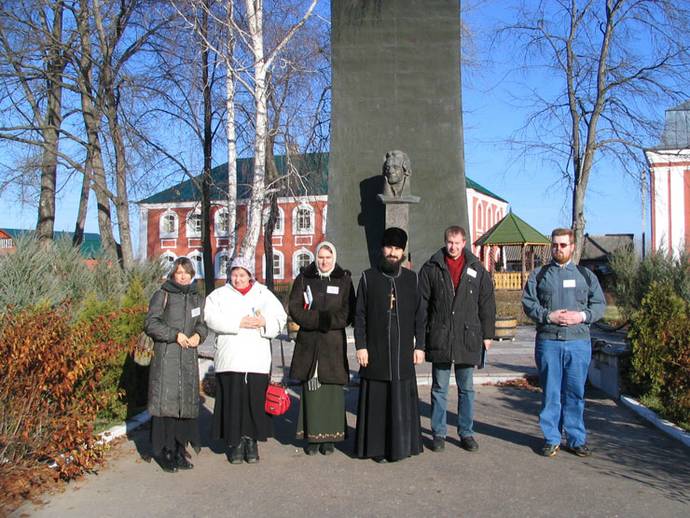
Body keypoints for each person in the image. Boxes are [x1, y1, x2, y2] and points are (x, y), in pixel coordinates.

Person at [522, 228, 606, 458]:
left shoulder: (586, 276)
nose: (558, 249)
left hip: (578, 343)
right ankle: (551, 438)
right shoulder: (540, 275)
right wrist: (548, 316)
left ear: (572, 247)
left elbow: (599, 305)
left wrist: (582, 316)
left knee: (575, 392)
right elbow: (528, 303)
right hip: (549, 342)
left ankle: (576, 438)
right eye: (555, 245)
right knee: (550, 392)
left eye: (563, 245)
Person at [418, 225, 496, 453]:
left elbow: (487, 303)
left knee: (466, 389)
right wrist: (420, 341)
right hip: (440, 335)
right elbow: (422, 306)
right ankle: (439, 433)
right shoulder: (432, 267)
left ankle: (466, 432)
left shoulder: (477, 269)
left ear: (465, 243)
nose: (453, 247)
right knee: (439, 388)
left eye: (457, 242)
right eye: (450, 242)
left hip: (467, 336)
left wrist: (488, 334)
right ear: (445, 242)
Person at [204, 256, 287, 464]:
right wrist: (237, 322)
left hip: (256, 359)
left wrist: (264, 321)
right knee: (233, 401)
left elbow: (280, 317)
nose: (238, 279)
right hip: (230, 358)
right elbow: (210, 317)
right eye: (234, 274)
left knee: (254, 402)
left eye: (242, 275)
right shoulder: (219, 295)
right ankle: (234, 443)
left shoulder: (263, 294)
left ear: (250, 276)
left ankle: (251, 441)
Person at [354, 227, 425, 463]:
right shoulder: (368, 277)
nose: (393, 253)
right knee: (378, 401)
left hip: (403, 352)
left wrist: (420, 346)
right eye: (389, 247)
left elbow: (420, 316)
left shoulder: (411, 279)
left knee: (400, 398)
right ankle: (376, 448)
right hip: (375, 351)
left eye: (397, 248)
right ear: (382, 249)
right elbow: (360, 315)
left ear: (403, 252)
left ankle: (402, 445)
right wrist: (361, 346)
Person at [288, 241, 355, 455]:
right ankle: (313, 437)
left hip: (333, 343)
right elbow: (295, 308)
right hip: (309, 342)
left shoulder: (344, 279)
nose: (324, 261)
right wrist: (316, 320)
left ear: (333, 258)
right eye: (320, 257)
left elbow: (347, 312)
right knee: (312, 389)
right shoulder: (304, 278)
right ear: (316, 258)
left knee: (332, 391)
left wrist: (326, 322)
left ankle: (331, 438)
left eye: (328, 257)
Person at [144, 257, 208, 473]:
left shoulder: (197, 298)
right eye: (179, 272)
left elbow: (202, 324)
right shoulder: (162, 294)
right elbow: (151, 323)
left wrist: (199, 335)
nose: (183, 276)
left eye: (187, 273)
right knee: (167, 405)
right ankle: (165, 451)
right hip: (167, 357)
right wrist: (174, 335)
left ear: (192, 275)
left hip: (188, 358)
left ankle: (180, 450)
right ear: (173, 274)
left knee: (184, 406)